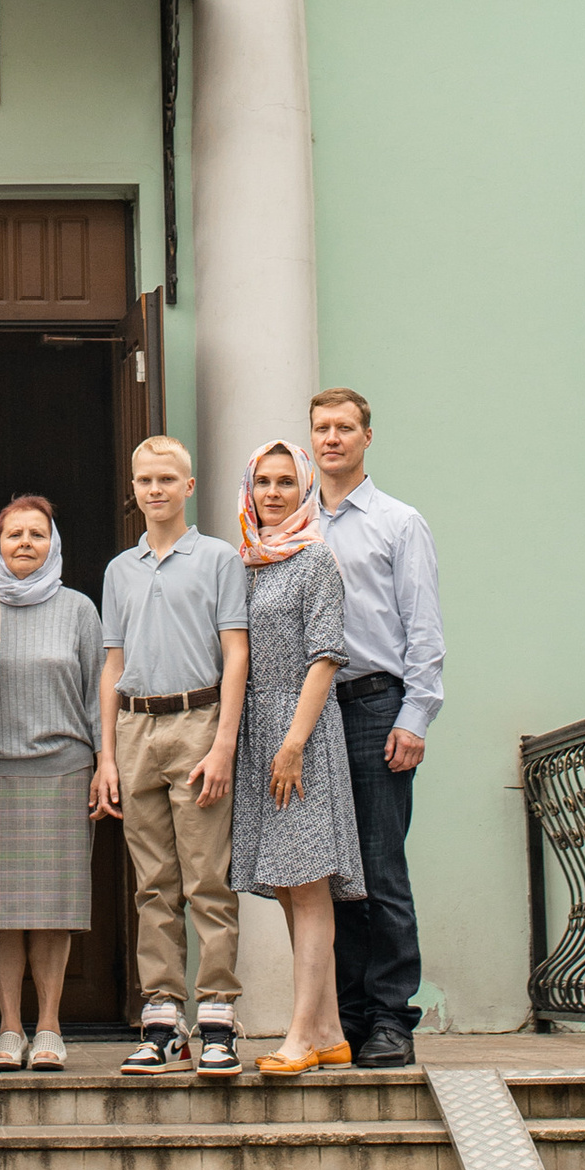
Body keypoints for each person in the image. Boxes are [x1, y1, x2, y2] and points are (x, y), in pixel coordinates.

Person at [94, 435, 249, 1073]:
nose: (154, 490)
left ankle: (217, 1019)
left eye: (166, 479)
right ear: (133, 489)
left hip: (197, 722)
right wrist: (106, 755)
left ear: (188, 486)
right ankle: (161, 1020)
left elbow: (236, 652)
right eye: (143, 480)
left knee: (208, 880)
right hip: (135, 730)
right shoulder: (118, 569)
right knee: (153, 885)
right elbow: (112, 664)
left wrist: (223, 746)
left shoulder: (218, 559)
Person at [307, 385, 444, 1072]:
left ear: (366, 437)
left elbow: (423, 628)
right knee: (332, 873)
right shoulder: (294, 527)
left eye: (344, 428)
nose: (331, 439)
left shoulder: (398, 522)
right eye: (321, 428)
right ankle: (348, 1017)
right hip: (311, 714)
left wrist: (415, 714)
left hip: (374, 707)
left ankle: (392, 1017)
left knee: (381, 868)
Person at [226, 438, 364, 1077]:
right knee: (288, 886)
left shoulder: (317, 561)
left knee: (309, 887)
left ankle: (302, 1034)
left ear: (304, 489)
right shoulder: (249, 563)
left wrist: (293, 744)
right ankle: (331, 1028)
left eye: (286, 482)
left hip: (300, 735)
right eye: (263, 482)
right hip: (259, 732)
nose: (273, 493)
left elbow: (326, 657)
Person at [0, 495, 102, 1072]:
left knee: (53, 908)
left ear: (55, 545)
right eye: (13, 534)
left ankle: (48, 1026)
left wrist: (106, 763)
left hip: (63, 771)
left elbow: (102, 691)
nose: (25, 543)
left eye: (37, 535)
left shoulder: (78, 610)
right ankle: (9, 1027)